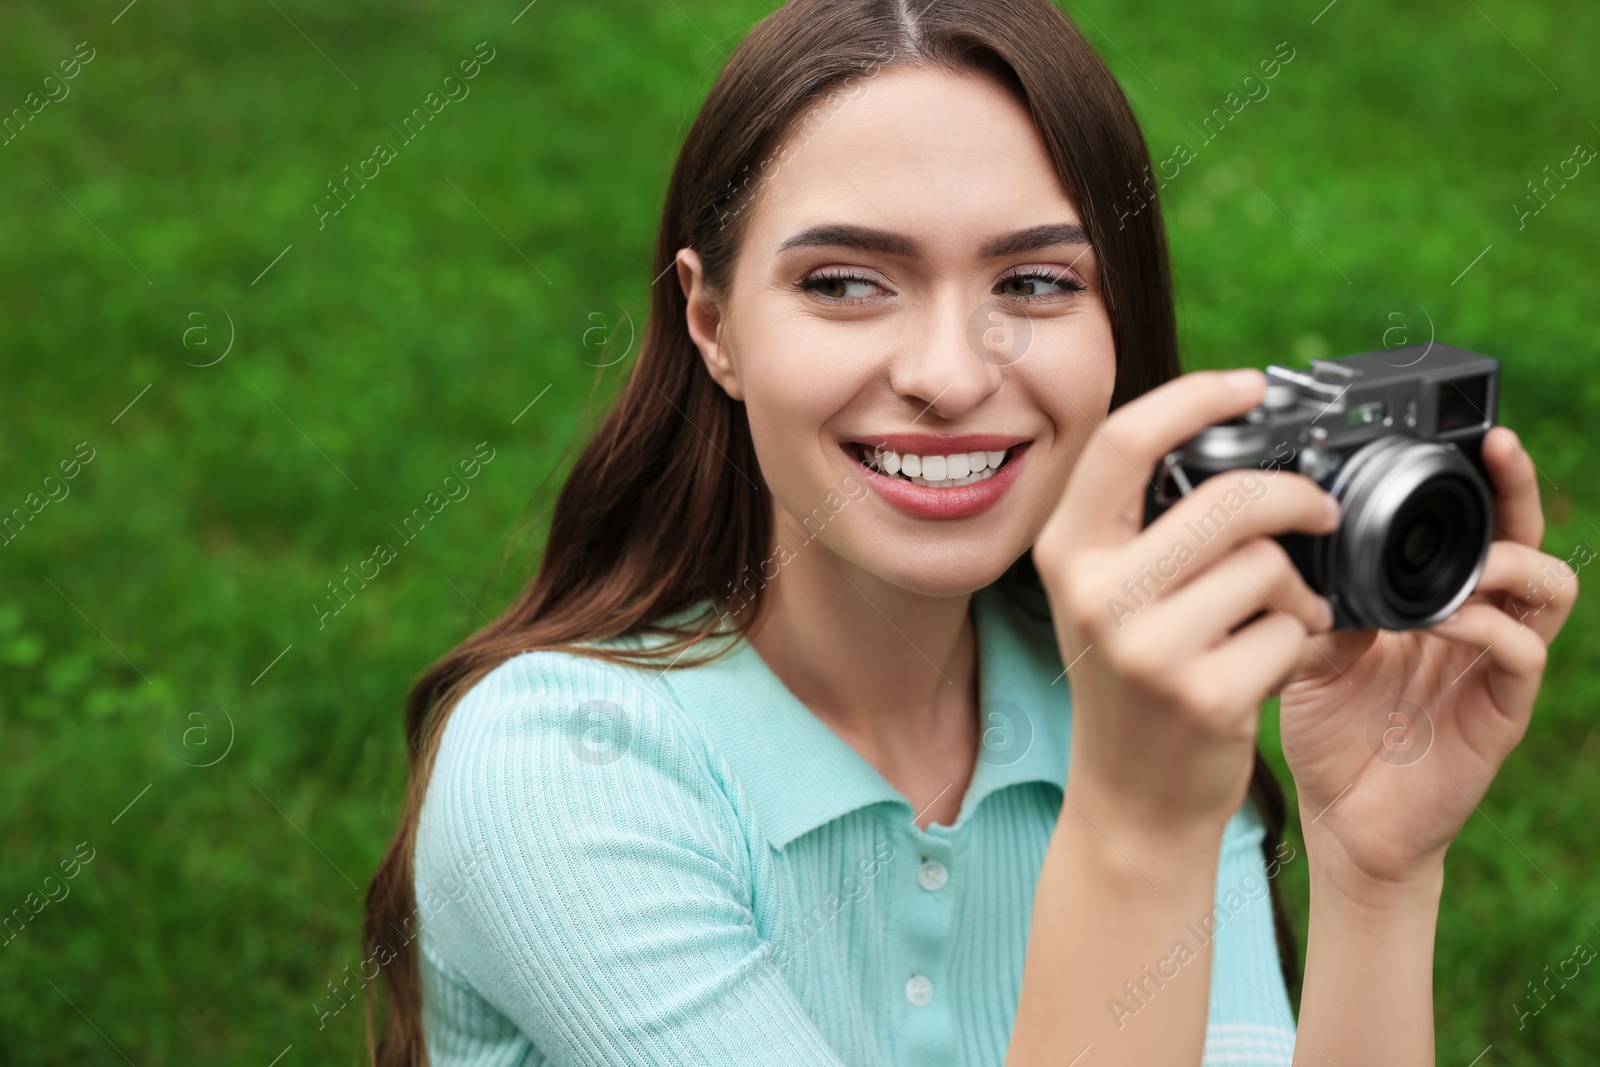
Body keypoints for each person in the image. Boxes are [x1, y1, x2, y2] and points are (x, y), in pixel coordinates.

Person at [361, 1, 1579, 1063]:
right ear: (713, 322)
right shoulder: (562, 771)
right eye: (845, 280)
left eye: (1036, 282)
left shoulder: (1131, 712)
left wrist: (1373, 876)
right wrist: (1137, 827)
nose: (949, 374)